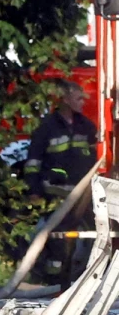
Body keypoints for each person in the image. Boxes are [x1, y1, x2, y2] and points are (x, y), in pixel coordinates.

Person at [23, 79, 98, 281]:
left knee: (88, 237)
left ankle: (78, 280)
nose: (83, 102)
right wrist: (34, 190)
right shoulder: (47, 127)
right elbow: (33, 161)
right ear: (64, 100)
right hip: (55, 195)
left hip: (82, 195)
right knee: (57, 241)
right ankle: (53, 284)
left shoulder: (86, 126)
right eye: (78, 98)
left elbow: (96, 157)